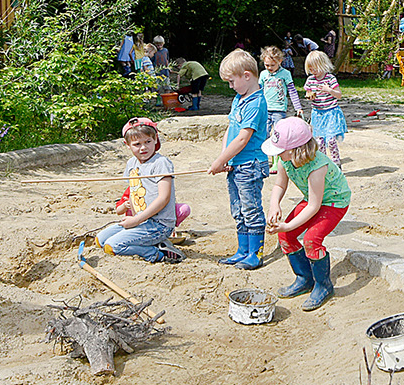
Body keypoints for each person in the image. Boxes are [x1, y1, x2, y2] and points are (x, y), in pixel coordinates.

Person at [264, 117, 350, 312]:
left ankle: (323, 285)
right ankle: (304, 278)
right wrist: (274, 205)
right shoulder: (284, 161)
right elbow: (279, 185)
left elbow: (313, 206)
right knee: (285, 236)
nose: (276, 154)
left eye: (280, 150)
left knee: (312, 239)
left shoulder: (317, 167)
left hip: (334, 202)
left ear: (296, 149)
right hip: (313, 198)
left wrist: (288, 225)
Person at [87, 118, 186, 263]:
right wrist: (134, 219)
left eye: (148, 142)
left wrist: (136, 221)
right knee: (100, 240)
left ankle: (158, 253)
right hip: (141, 221)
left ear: (155, 139)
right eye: (137, 144)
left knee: (112, 246)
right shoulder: (132, 163)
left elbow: (164, 198)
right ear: (127, 145)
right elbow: (133, 193)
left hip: (159, 225)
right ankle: (153, 243)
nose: (143, 148)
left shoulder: (161, 163)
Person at [207, 50, 271, 268]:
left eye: (231, 81)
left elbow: (243, 138)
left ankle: (255, 253)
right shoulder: (239, 99)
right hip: (235, 164)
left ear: (246, 76)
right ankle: (242, 250)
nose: (230, 86)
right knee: (238, 209)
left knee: (251, 209)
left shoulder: (256, 103)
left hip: (250, 164)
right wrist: (224, 157)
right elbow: (231, 129)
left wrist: (219, 162)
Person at [302, 50, 348, 164]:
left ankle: (336, 162)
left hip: (331, 112)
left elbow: (339, 95)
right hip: (317, 113)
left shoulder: (330, 78)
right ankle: (323, 162)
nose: (313, 72)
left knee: (331, 140)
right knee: (319, 141)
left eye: (315, 69)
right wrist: (310, 96)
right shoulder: (310, 80)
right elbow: (308, 92)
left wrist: (329, 90)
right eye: (310, 69)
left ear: (322, 65)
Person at [260, 44, 302, 120]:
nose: (269, 67)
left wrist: (298, 107)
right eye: (267, 65)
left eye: (273, 65)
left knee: (279, 127)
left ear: (279, 61)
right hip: (265, 108)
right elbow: (259, 91)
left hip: (279, 109)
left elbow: (292, 91)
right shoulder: (263, 74)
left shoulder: (285, 74)